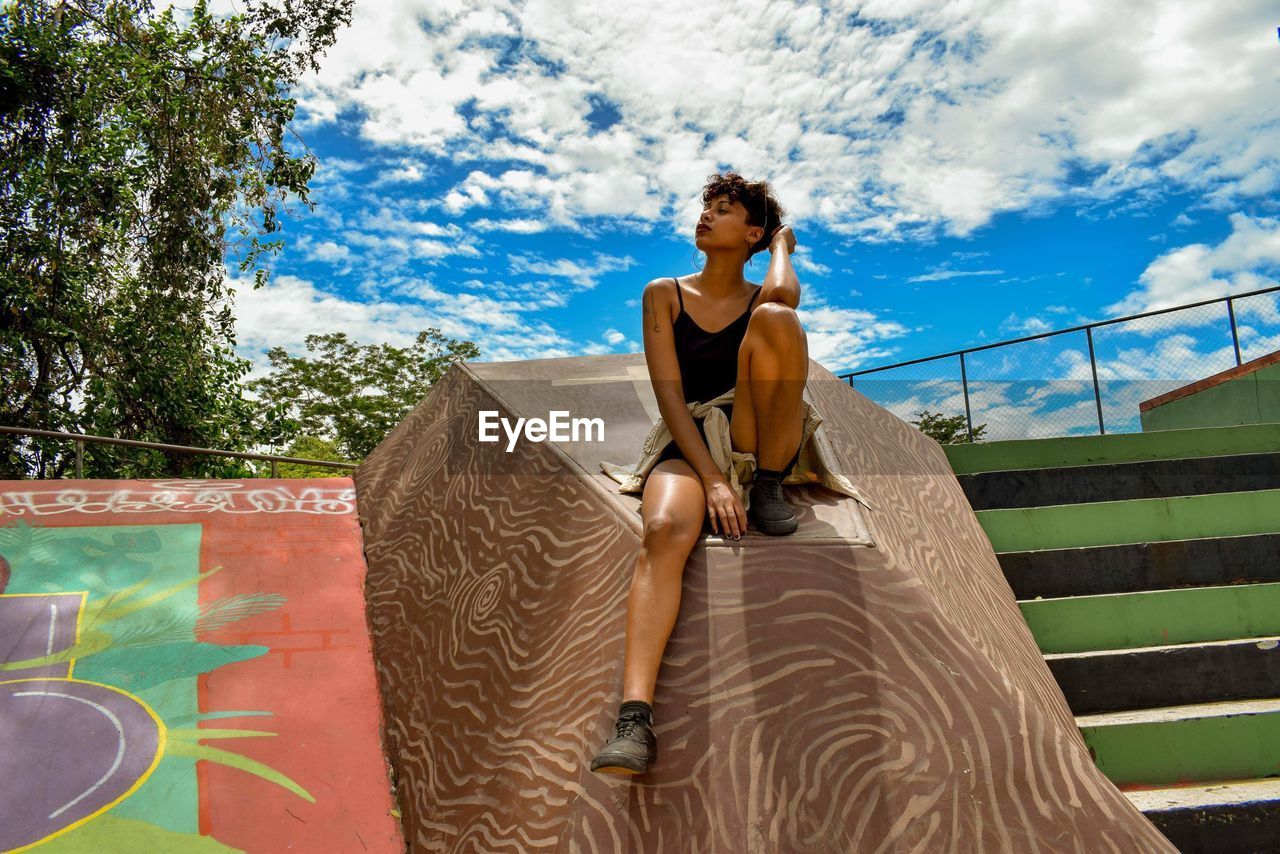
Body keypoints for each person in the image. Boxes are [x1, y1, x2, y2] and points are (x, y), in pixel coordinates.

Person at [589, 171, 810, 775]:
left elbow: (785, 301)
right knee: (662, 529)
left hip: (759, 431)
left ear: (755, 233)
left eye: (724, 209)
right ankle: (633, 721)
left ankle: (769, 483)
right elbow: (668, 396)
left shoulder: (762, 297)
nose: (706, 216)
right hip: (692, 436)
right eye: (706, 207)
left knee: (778, 322)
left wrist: (783, 247)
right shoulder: (663, 293)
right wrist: (711, 477)